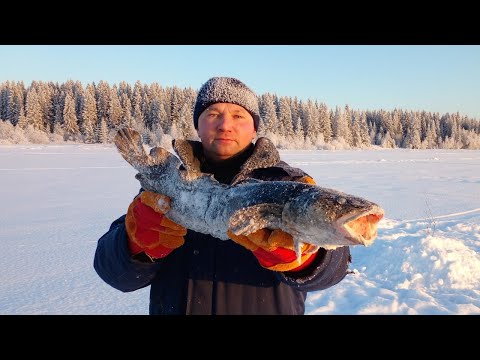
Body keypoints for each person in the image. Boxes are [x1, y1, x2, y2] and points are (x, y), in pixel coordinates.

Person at [94, 77, 351, 315]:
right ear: (198, 124)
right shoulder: (168, 186)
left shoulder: (288, 183)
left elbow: (336, 267)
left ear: (254, 128)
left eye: (239, 115)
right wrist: (135, 245)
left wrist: (306, 259)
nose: (225, 124)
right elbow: (114, 273)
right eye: (213, 113)